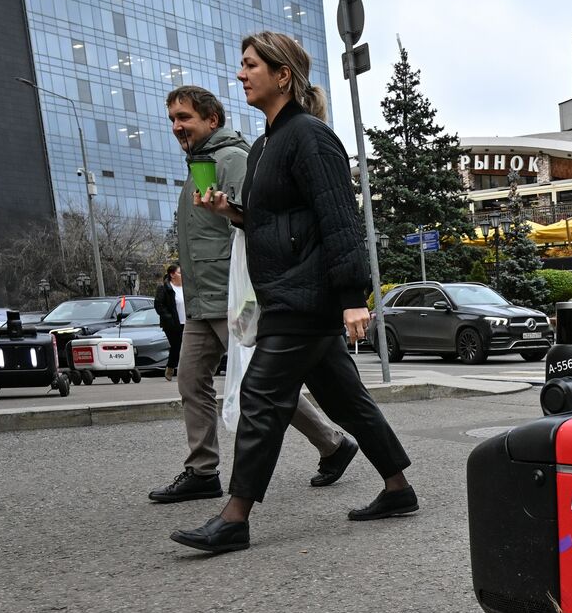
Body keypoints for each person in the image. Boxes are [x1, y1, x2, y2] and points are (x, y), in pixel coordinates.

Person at [171, 32, 416, 553]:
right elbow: (268, 220)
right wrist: (229, 213)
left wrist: (355, 297)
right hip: (284, 291)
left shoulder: (311, 136)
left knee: (261, 396)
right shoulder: (263, 146)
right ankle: (398, 487)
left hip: (306, 295)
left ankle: (234, 517)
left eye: (250, 65)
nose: (241, 75)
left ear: (283, 74)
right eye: (241, 66)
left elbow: (341, 219)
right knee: (345, 400)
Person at [148, 84, 356, 506]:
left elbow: (258, 223)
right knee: (191, 381)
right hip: (202, 302)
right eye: (172, 119)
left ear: (212, 119)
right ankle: (202, 469)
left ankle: (333, 443)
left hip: (235, 297)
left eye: (184, 117)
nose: (177, 126)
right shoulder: (197, 166)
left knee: (263, 385)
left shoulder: (234, 160)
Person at [154, 264, 185, 380]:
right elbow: (159, 305)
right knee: (177, 346)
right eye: (180, 273)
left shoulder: (187, 288)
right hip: (172, 324)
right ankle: (171, 367)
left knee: (187, 348)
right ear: (172, 275)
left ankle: (184, 371)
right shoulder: (164, 288)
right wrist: (169, 318)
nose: (183, 275)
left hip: (188, 322)